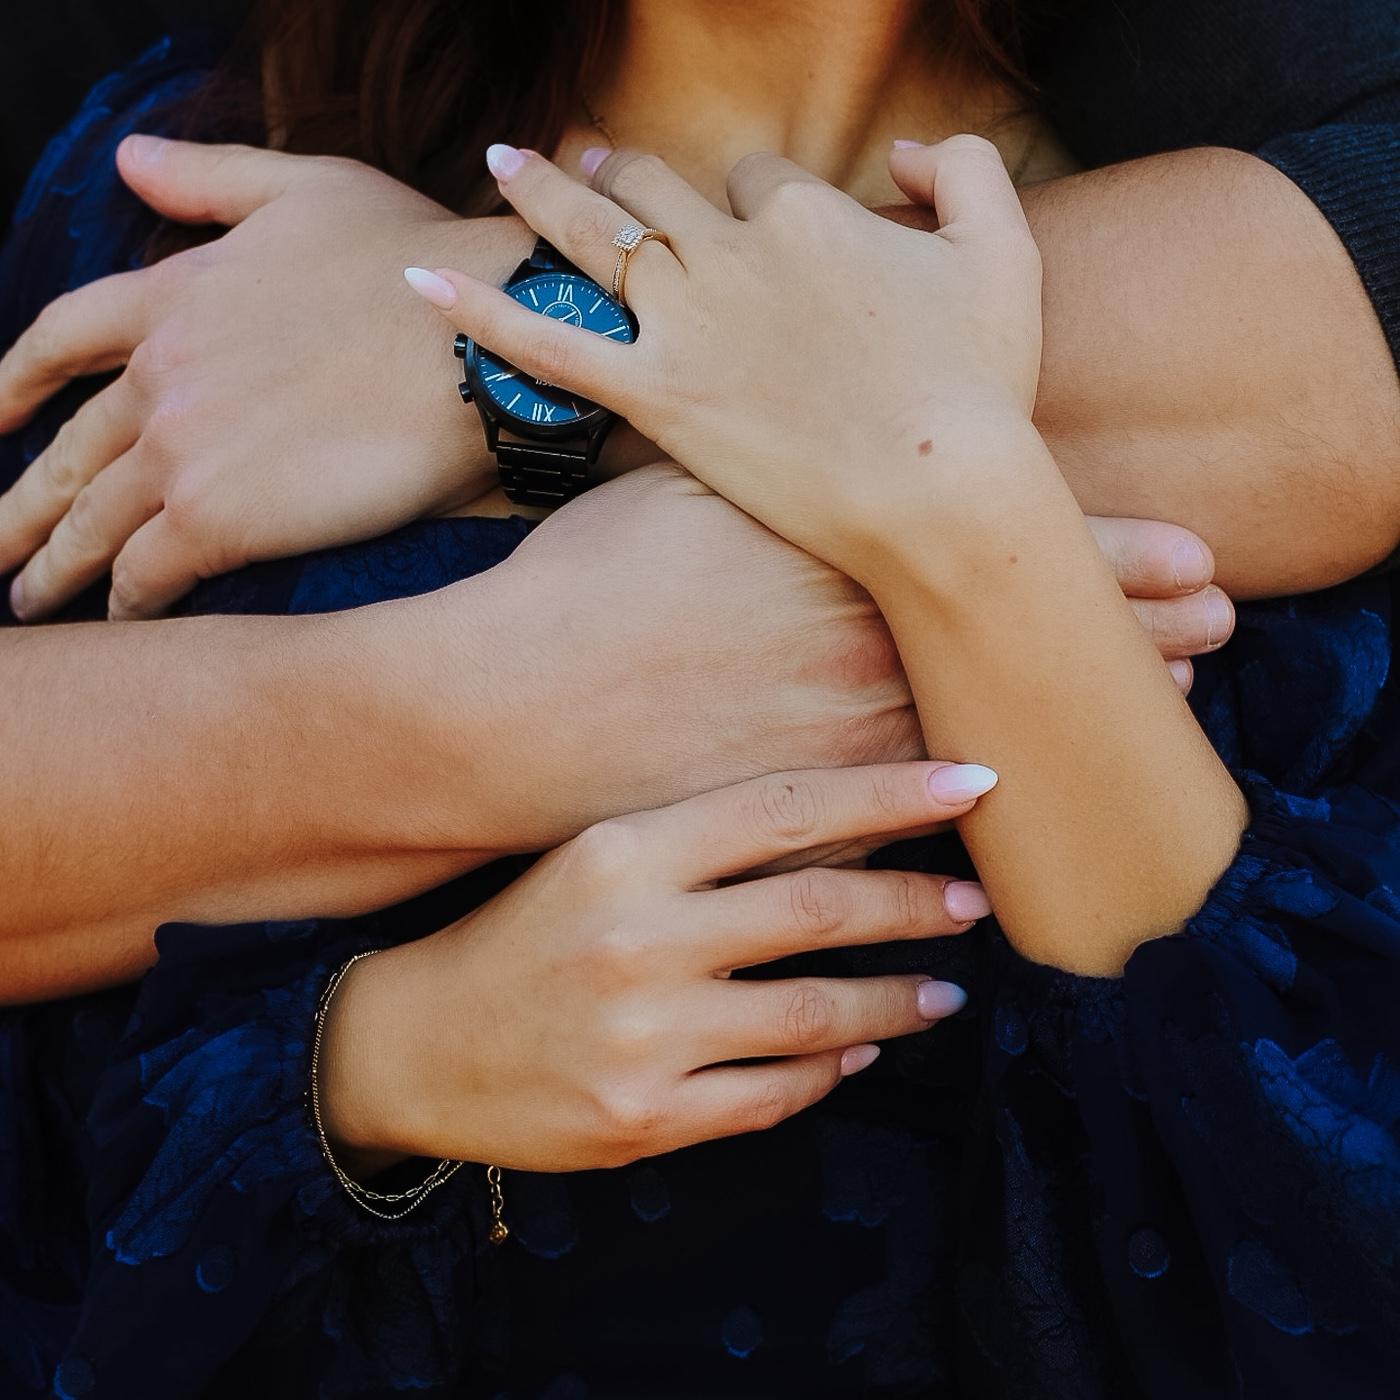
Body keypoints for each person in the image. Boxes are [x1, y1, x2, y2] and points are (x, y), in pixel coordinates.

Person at [0, 3, 1396, 1398]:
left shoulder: (1253, 200)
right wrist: (374, 1053)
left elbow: (1305, 1201)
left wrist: (952, 520)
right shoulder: (207, 180)